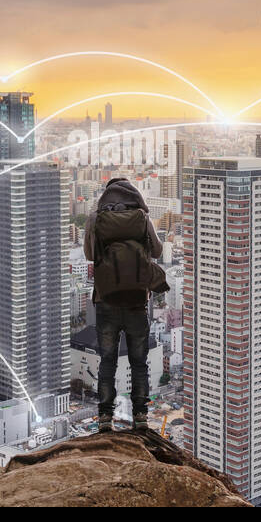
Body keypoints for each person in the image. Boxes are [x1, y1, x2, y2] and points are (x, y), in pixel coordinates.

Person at [83, 177, 164, 432]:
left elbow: (88, 254)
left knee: (108, 361)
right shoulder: (141, 217)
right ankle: (140, 417)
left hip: (106, 300)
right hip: (137, 301)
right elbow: (159, 251)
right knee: (138, 362)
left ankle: (105, 418)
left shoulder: (95, 218)